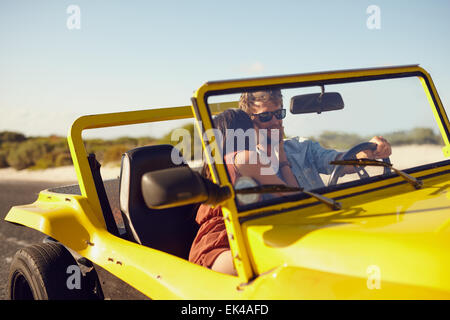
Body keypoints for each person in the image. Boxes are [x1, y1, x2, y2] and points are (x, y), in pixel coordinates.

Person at [189, 108, 298, 275]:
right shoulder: (245, 158)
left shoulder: (217, 166)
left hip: (218, 243)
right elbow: (293, 198)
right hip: (224, 246)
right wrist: (282, 157)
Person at [238, 89, 392, 190]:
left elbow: (337, 162)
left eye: (279, 114)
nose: (275, 121)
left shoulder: (302, 146)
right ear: (249, 120)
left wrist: (367, 152)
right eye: (265, 116)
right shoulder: (249, 162)